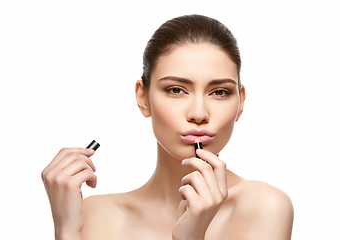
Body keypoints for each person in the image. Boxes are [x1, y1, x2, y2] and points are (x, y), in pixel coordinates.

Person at [41, 14, 294, 240]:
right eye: (176, 90)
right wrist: (66, 232)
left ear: (240, 103)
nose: (198, 114)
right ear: (143, 98)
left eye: (219, 92)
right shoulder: (95, 215)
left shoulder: (264, 207)